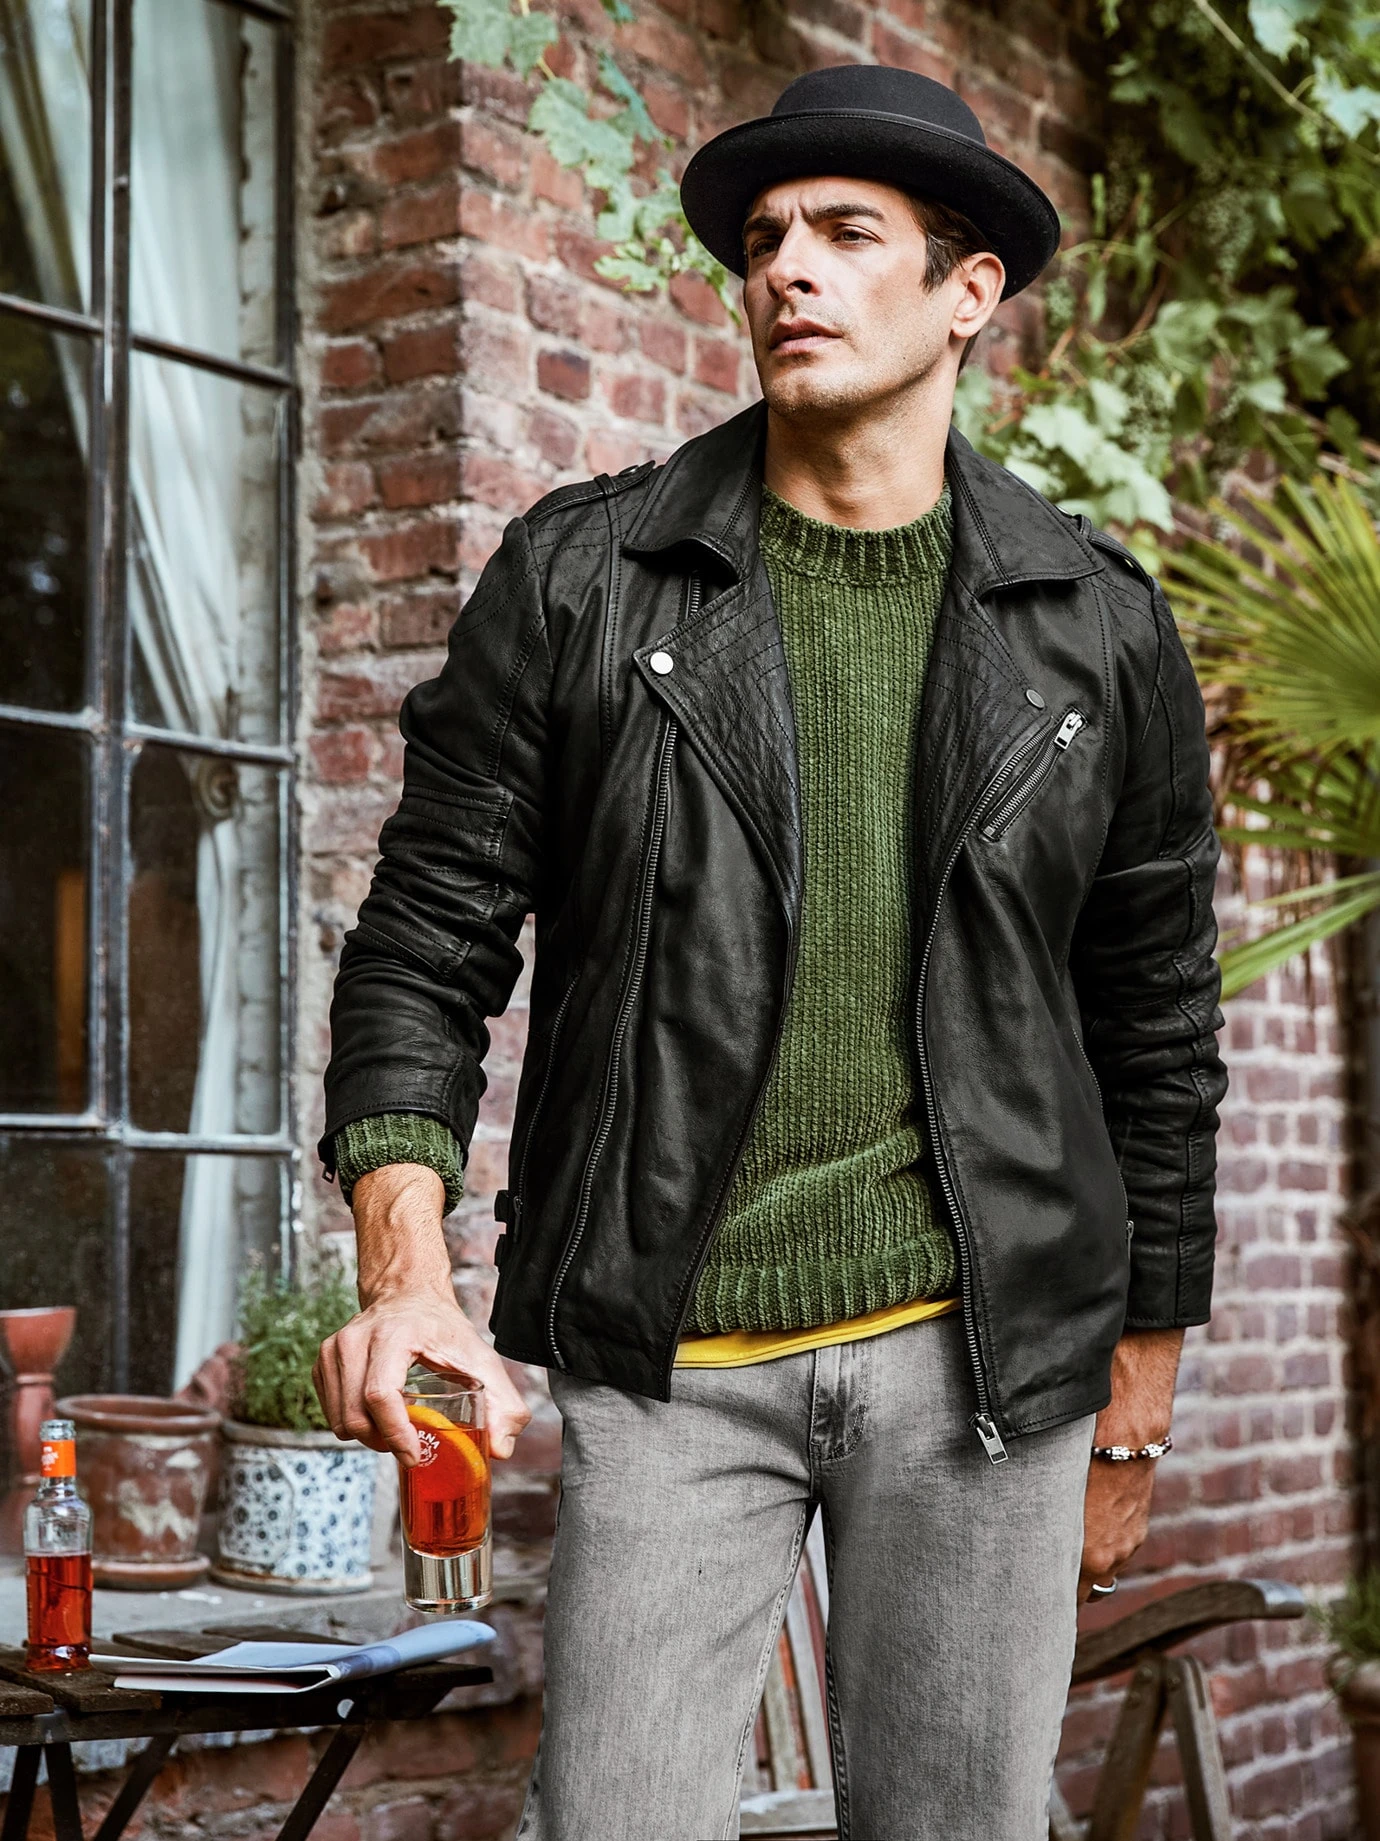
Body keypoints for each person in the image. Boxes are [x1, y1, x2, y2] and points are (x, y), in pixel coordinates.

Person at [312, 63, 1227, 1841]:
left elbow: (1158, 1022)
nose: (786, 269)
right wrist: (404, 1275)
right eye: (763, 240)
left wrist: (1135, 1402)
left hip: (986, 1360)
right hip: (677, 1352)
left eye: (846, 234)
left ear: (967, 292)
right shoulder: (587, 579)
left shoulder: (1098, 626)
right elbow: (426, 937)